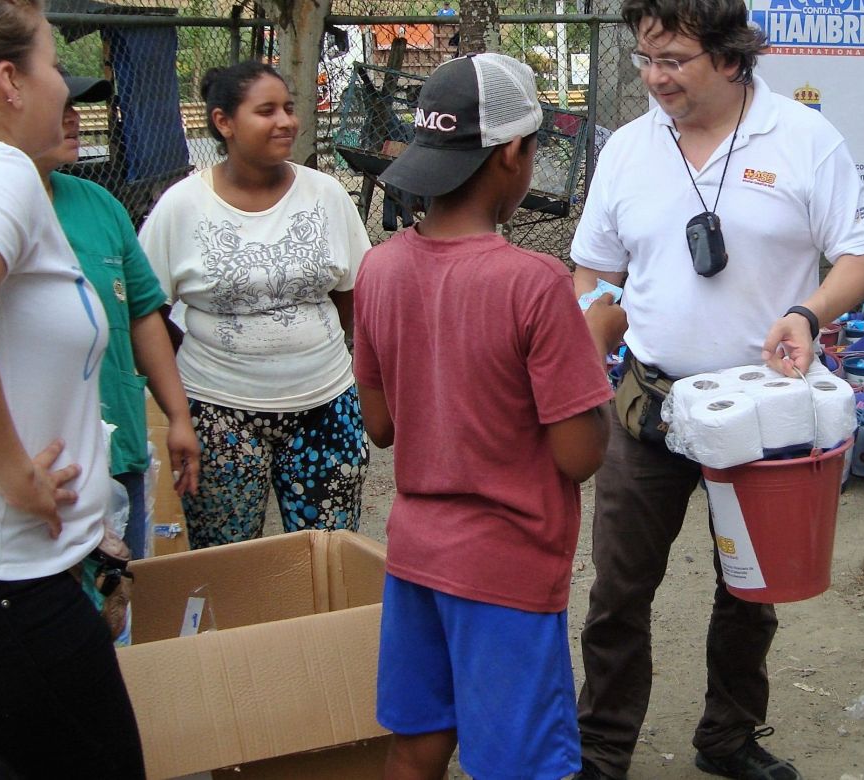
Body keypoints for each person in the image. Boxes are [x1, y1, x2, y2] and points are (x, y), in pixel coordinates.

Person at [569, 0, 864, 777]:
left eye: (673, 59)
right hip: (651, 406)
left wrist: (807, 312)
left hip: (764, 419)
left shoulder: (804, 138)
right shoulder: (630, 149)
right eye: (645, 57)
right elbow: (595, 267)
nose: (653, 77)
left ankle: (729, 737)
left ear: (732, 59)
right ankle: (601, 749)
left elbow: (860, 256)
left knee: (751, 588)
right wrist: (591, 318)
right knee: (617, 592)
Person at [353, 53, 627, 779]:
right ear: (514, 154)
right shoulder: (533, 285)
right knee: (523, 764)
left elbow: (381, 426)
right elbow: (578, 456)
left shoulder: (378, 269)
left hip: (415, 556)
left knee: (416, 745)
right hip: (503, 570)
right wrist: (591, 345)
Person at [0, 0, 145, 776]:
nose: (65, 86)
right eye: (52, 64)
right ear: (8, 83)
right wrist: (9, 468)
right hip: (2, 589)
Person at [139, 60, 372, 550]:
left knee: (328, 553)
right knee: (228, 557)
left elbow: (353, 291)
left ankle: (318, 633)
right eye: (266, 111)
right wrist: (202, 367)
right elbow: (149, 312)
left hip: (326, 405)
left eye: (289, 108)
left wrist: (310, 351)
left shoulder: (325, 195)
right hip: (218, 412)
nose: (286, 121)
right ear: (224, 122)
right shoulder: (181, 207)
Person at [34, 70, 200, 560]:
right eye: (59, 104)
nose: (73, 117)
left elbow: (143, 313)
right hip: (35, 467)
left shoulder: (98, 204)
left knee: (118, 606)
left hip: (115, 446)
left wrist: (177, 415)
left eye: (76, 104)